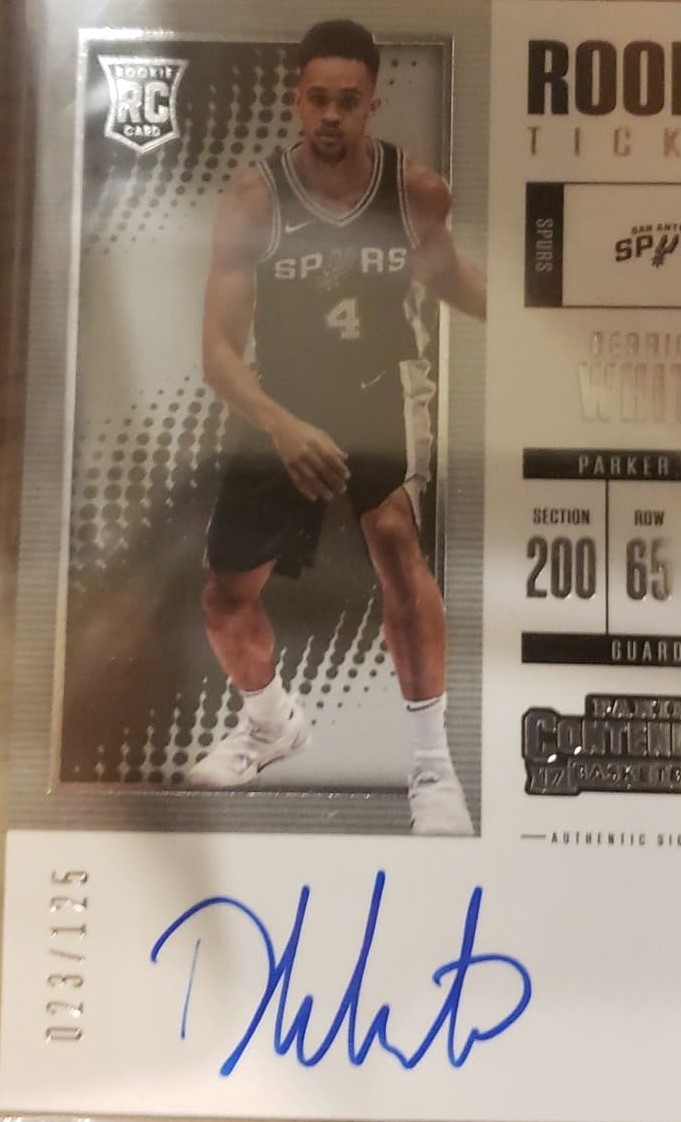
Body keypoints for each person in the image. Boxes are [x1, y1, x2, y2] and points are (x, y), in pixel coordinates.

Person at [186, 19, 486, 835]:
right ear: (296, 99)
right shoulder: (255, 200)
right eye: (317, 98)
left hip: (379, 393)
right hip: (281, 403)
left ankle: (432, 767)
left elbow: (446, 276)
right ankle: (270, 725)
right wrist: (280, 426)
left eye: (347, 101)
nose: (330, 115)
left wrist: (539, 315)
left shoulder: (414, 190)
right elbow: (218, 355)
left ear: (371, 104)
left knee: (396, 544)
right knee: (223, 601)